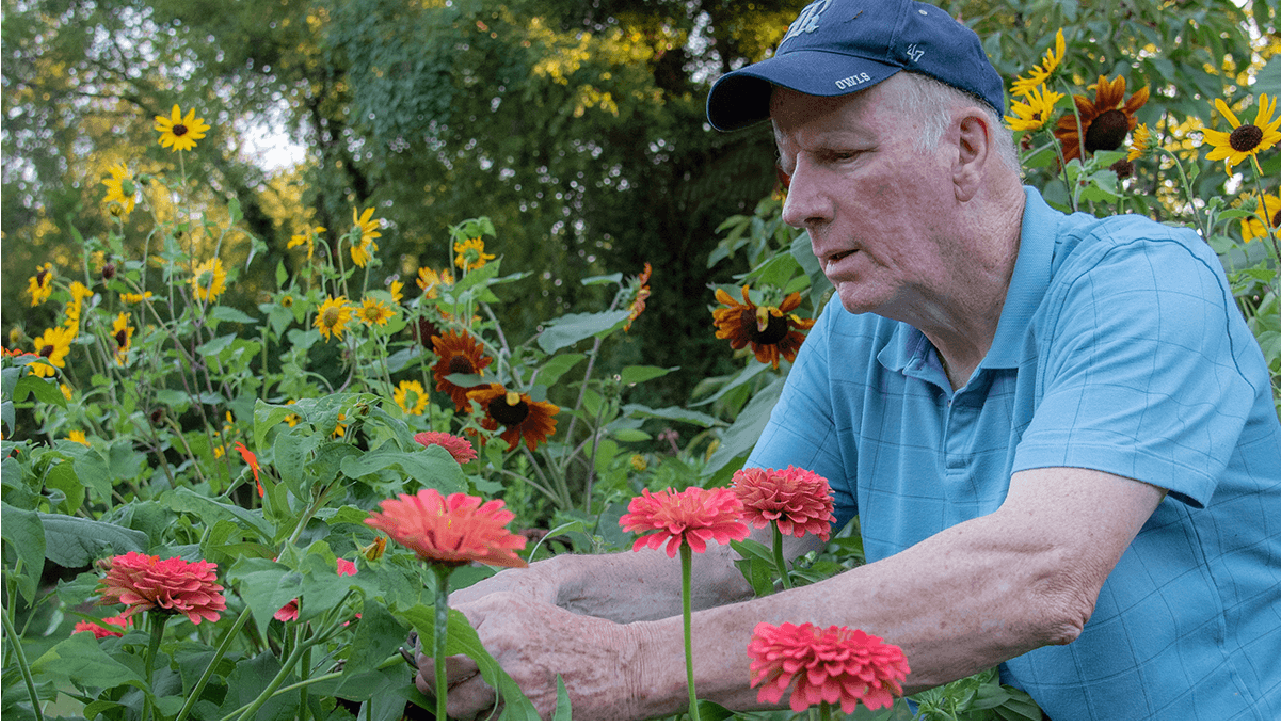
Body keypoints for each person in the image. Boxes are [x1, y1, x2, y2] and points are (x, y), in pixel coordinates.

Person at [416, 0, 1281, 718]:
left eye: (837, 155)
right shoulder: (858, 332)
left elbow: (1038, 573)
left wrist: (634, 665)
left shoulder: (1144, 286)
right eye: (790, 165)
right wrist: (550, 593)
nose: (796, 206)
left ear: (967, 150)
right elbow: (728, 555)